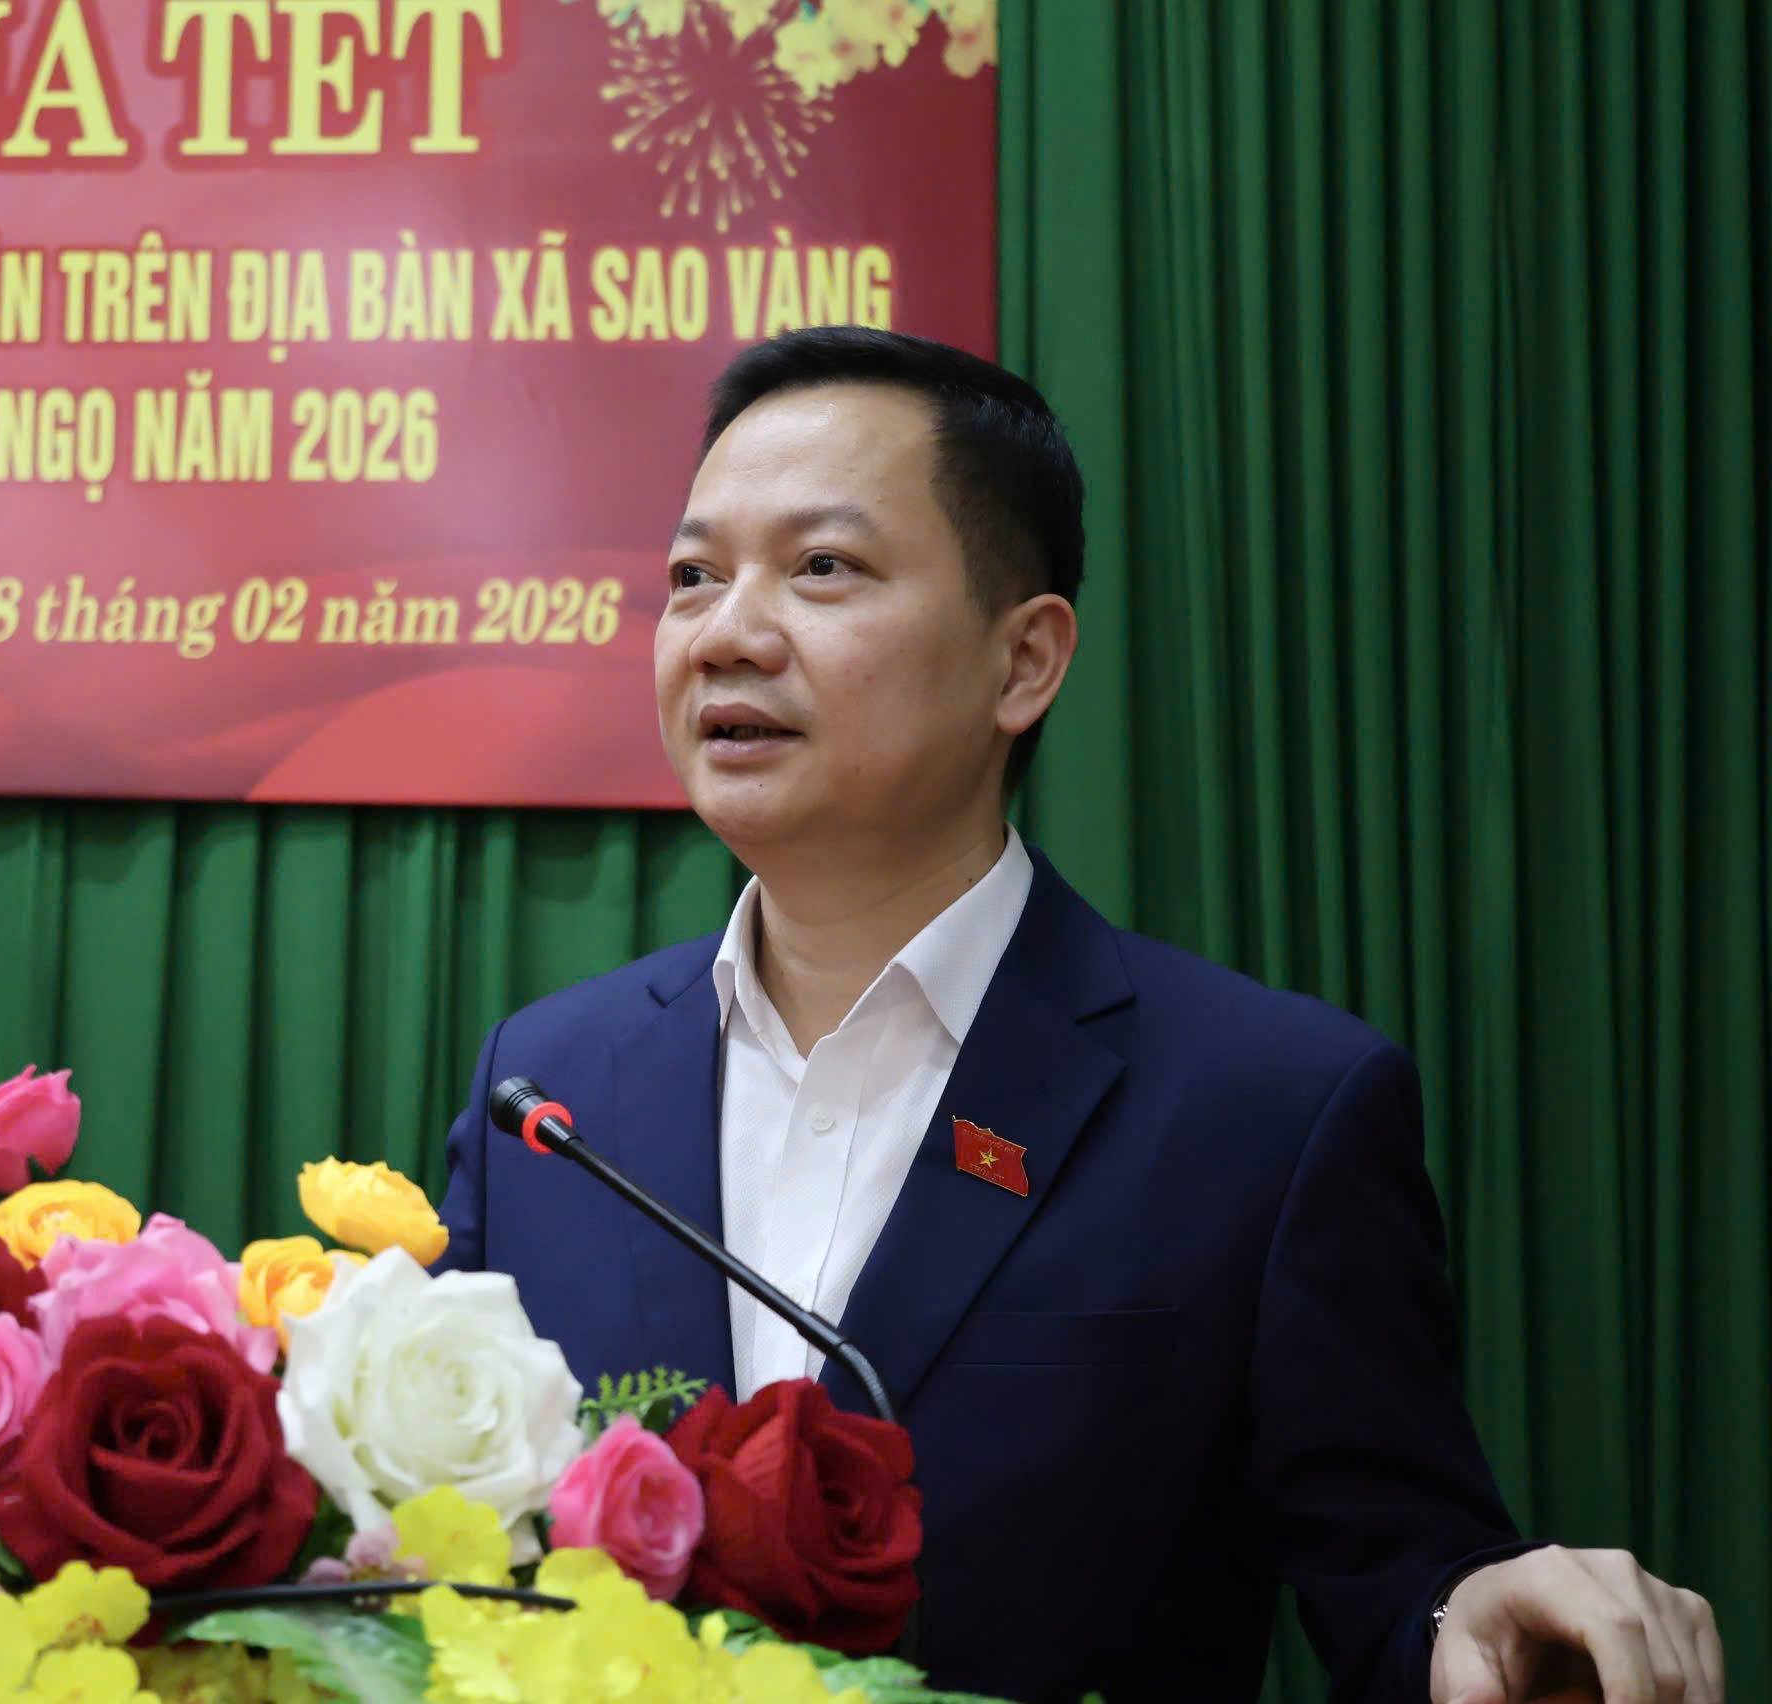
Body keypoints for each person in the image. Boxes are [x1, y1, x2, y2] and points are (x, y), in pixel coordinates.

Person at [434, 328, 1723, 1704]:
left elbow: (1400, 1584)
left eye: (822, 568)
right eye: (694, 577)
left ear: (1025, 661)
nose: (727, 633)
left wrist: (1477, 1617)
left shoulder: (1266, 1111)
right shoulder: (551, 1088)